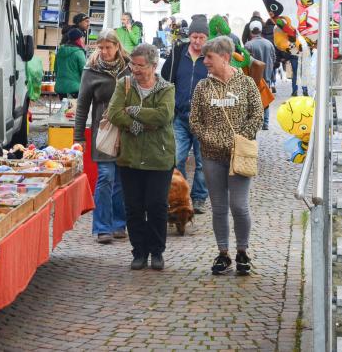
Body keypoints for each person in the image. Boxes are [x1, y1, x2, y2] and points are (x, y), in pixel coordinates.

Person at [189, 36, 263, 276]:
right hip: (211, 156)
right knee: (219, 207)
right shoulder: (203, 87)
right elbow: (195, 121)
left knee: (239, 206)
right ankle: (223, 253)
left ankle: (243, 251)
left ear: (225, 57)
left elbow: (257, 115)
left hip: (239, 155)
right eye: (204, 58)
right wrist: (211, 139)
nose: (205, 62)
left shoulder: (246, 84)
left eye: (209, 57)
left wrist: (239, 139)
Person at [107, 43, 175, 271]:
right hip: (130, 156)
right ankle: (139, 252)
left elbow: (164, 116)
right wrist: (137, 126)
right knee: (134, 207)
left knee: (156, 206)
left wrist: (134, 111)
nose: (134, 69)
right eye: (132, 64)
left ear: (154, 66)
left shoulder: (166, 88)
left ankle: (157, 252)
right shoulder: (124, 85)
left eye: (140, 65)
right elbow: (115, 113)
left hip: (159, 156)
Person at [74, 30, 130, 244]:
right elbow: (82, 106)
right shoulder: (92, 70)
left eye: (108, 47)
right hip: (103, 131)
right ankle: (102, 227)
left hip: (125, 130)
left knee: (122, 179)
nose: (105, 51)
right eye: (101, 47)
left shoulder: (129, 67)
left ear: (117, 46)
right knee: (106, 176)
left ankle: (119, 223)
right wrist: (79, 136)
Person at [160, 14, 209, 214]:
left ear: (207, 38)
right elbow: (165, 76)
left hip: (203, 118)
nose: (197, 41)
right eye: (194, 37)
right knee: (177, 158)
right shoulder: (179, 52)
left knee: (202, 162)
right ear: (190, 36)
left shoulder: (211, 57)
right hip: (179, 115)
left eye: (201, 37)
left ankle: (198, 198)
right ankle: (181, 194)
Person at [244, 21, 276, 130]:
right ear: (261, 31)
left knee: (252, 99)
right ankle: (265, 122)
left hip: (253, 77)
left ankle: (254, 121)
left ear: (251, 31)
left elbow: (245, 62)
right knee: (265, 97)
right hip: (267, 75)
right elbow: (274, 58)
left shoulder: (248, 45)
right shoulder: (269, 43)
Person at [54, 28, 87, 98]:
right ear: (79, 39)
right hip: (75, 89)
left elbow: (56, 69)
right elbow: (84, 72)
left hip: (60, 88)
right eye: (82, 38)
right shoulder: (79, 52)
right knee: (73, 108)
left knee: (65, 108)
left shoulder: (60, 51)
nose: (83, 40)